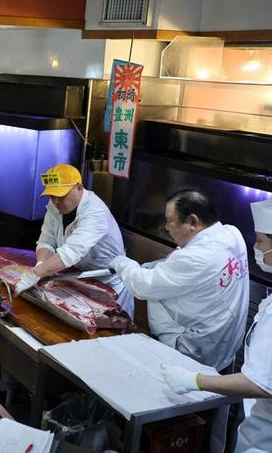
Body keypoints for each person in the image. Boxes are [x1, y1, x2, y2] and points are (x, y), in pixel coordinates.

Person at [160, 198, 272, 452]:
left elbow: (261, 383)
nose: (256, 247)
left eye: (261, 241)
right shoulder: (226, 237)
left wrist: (195, 380)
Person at [109, 189, 250, 371]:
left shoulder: (197, 257)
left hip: (192, 351)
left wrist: (121, 262)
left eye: (170, 221)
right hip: (225, 345)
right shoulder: (231, 233)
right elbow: (179, 266)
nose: (166, 227)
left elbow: (142, 286)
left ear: (193, 222)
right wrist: (148, 267)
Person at [14, 164, 134, 318]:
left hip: (108, 286)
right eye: (52, 195)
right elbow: (47, 240)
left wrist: (36, 273)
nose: (56, 201)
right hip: (78, 280)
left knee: (108, 333)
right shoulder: (54, 206)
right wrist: (40, 264)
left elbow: (70, 252)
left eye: (61, 196)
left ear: (79, 187)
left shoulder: (94, 211)